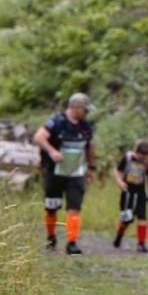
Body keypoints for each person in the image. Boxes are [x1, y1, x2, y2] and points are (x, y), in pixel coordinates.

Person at [34, 93, 97, 255]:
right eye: (85, 110)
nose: (86, 113)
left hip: (76, 173)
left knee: (74, 208)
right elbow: (39, 137)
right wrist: (52, 151)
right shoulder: (57, 121)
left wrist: (91, 168)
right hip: (55, 173)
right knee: (51, 207)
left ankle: (71, 243)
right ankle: (51, 237)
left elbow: (90, 146)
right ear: (76, 107)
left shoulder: (86, 126)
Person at [113, 139, 148, 252]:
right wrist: (120, 182)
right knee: (126, 219)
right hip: (127, 192)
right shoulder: (127, 158)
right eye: (140, 156)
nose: (142, 159)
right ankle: (119, 236)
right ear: (135, 151)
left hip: (140, 192)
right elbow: (117, 171)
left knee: (142, 217)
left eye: (145, 157)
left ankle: (141, 244)